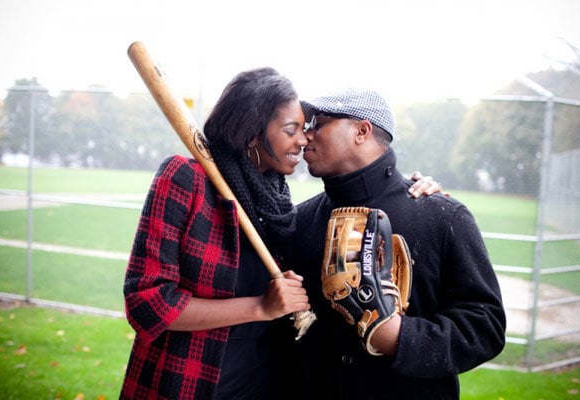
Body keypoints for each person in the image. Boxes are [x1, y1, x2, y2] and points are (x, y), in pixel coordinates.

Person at [119, 68, 441, 400]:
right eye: (292, 130)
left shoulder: (282, 208)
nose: (303, 140)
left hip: (262, 387)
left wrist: (404, 189)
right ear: (252, 133)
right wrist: (260, 306)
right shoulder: (187, 179)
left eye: (305, 129)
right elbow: (148, 303)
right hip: (187, 384)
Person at [273, 88, 506, 399]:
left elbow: (485, 326)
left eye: (320, 122)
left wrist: (398, 337)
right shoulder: (299, 221)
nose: (306, 135)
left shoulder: (442, 216)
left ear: (362, 131)